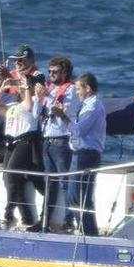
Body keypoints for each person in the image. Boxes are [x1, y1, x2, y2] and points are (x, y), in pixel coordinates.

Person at [0, 72, 46, 230]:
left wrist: (27, 86)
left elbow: (28, 107)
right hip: (11, 143)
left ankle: (8, 214)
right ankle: (25, 217)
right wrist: (2, 88)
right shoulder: (13, 106)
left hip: (24, 142)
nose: (20, 87)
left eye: (24, 85)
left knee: (12, 175)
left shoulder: (35, 101)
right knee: (8, 180)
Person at [39, 57, 80, 232]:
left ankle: (69, 220)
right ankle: (45, 221)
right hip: (47, 140)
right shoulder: (50, 89)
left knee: (65, 182)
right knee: (50, 183)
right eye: (50, 71)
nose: (51, 74)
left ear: (65, 73)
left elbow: (66, 110)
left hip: (62, 140)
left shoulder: (70, 90)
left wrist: (47, 96)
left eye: (55, 71)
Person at [66, 73, 106, 236]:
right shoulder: (88, 104)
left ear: (87, 88)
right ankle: (88, 231)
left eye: (78, 89)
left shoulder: (93, 105)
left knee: (77, 197)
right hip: (80, 153)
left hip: (86, 154)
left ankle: (89, 233)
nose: (77, 92)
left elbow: (79, 130)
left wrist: (63, 117)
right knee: (78, 197)